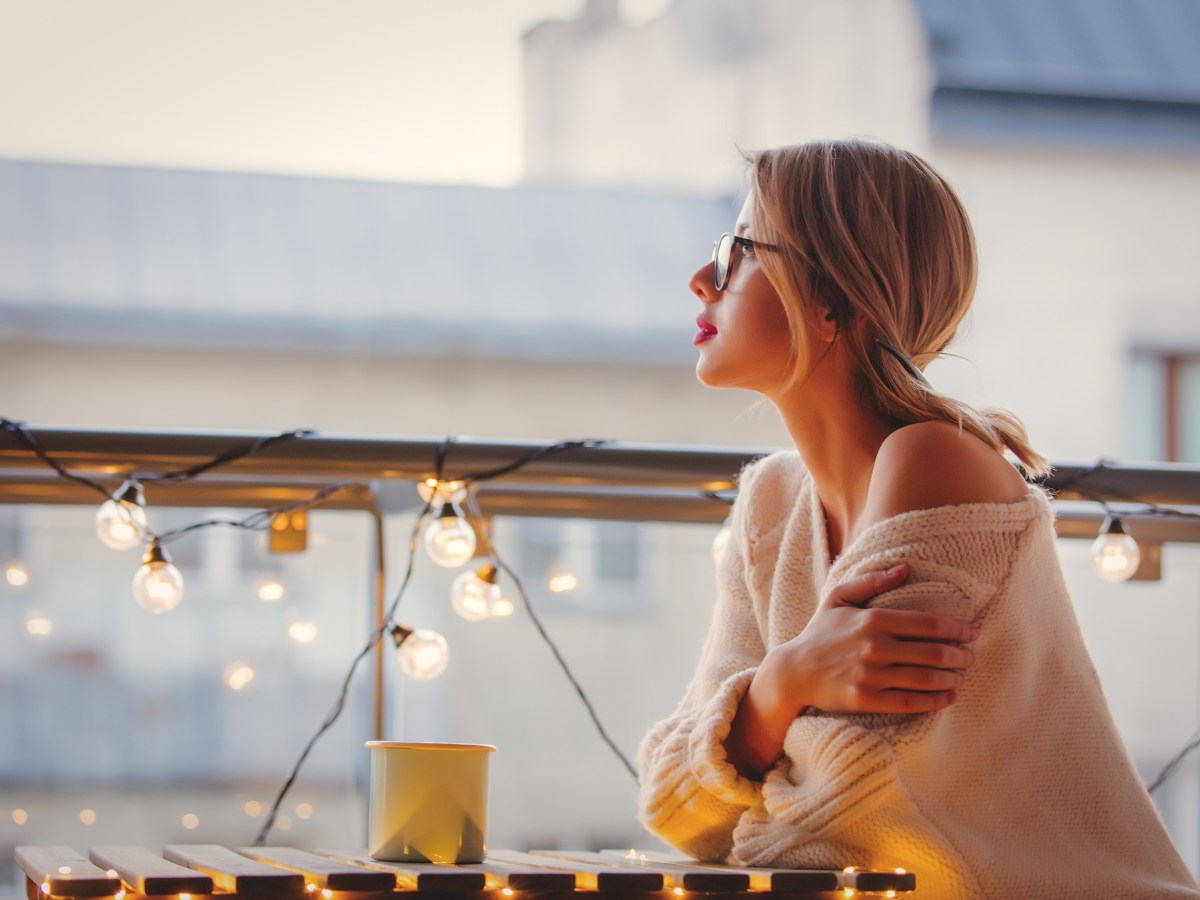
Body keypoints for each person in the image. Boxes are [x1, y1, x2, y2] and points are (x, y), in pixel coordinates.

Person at [637, 139, 1200, 899]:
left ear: (831, 300)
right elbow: (672, 809)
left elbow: (837, 824)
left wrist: (747, 737)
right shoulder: (771, 503)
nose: (704, 279)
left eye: (738, 251)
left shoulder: (936, 461)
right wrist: (784, 682)